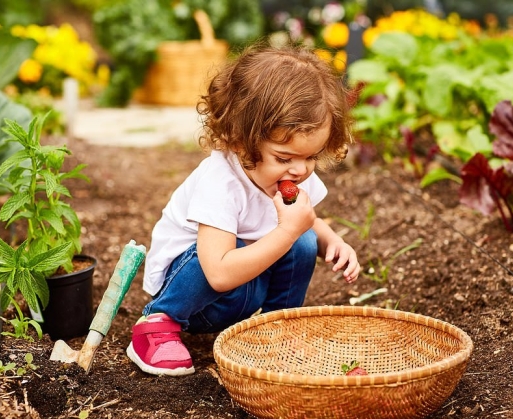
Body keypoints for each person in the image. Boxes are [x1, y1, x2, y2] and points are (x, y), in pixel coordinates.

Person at [126, 43, 362, 376]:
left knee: (305, 240)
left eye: (311, 157)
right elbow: (218, 273)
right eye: (284, 158)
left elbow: (304, 223)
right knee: (252, 242)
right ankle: (157, 325)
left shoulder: (291, 174)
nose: (301, 170)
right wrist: (289, 231)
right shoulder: (220, 182)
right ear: (240, 141)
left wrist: (331, 241)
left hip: (246, 287)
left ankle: (277, 328)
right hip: (199, 300)